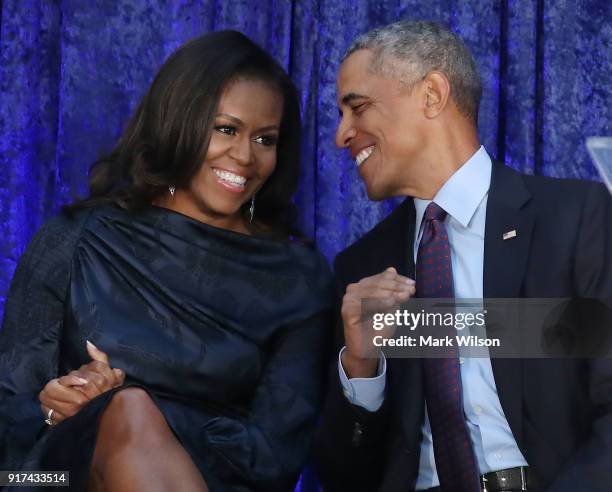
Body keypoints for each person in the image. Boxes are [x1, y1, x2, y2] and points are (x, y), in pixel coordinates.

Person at [0, 31, 333, 492]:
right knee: (128, 413)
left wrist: (122, 402)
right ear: (179, 121)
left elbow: (277, 457)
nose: (244, 156)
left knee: (130, 408)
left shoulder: (299, 279)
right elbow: (11, 425)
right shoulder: (77, 237)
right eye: (226, 129)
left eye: (265, 138)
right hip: (55, 479)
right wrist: (60, 408)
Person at [314, 20, 612, 492]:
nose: (341, 135)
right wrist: (361, 366)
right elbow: (345, 476)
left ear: (432, 94)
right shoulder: (362, 268)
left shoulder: (574, 219)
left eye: (358, 108)